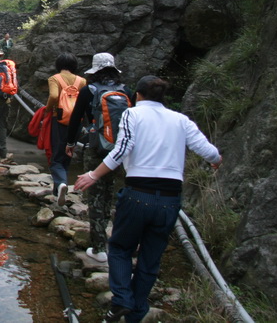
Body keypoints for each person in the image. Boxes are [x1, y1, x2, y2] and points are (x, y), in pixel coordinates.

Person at [74, 75, 222, 323]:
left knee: (121, 248)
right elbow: (210, 152)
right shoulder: (181, 120)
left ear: (137, 96)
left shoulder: (133, 115)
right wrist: (216, 161)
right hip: (170, 200)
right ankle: (138, 310)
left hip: (137, 194)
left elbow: (121, 150)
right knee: (151, 257)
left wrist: (93, 175)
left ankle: (121, 300)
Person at [65, 53, 135, 264]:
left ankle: (98, 247)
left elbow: (76, 118)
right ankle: (113, 237)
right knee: (109, 190)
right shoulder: (126, 91)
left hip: (96, 148)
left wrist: (69, 144)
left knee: (95, 193)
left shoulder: (89, 91)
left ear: (95, 71)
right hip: (120, 151)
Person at [45, 52, 85, 206]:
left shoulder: (55, 78)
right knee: (68, 152)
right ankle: (58, 189)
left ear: (59, 64)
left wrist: (48, 109)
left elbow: (54, 96)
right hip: (77, 121)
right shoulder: (81, 81)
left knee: (56, 156)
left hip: (60, 119)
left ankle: (61, 184)